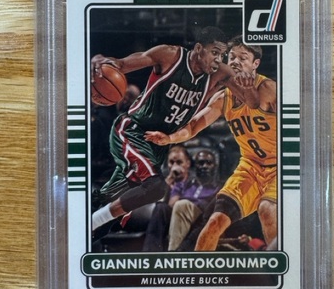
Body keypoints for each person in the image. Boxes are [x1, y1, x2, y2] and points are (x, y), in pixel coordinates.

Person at [90, 27, 259, 233]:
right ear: (199, 48)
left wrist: (248, 84)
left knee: (108, 206)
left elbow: (252, 102)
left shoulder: (220, 73)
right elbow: (121, 64)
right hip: (133, 131)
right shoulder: (170, 55)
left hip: (158, 144)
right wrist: (99, 61)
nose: (218, 60)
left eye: (222, 55)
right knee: (156, 187)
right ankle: (92, 222)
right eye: (214, 52)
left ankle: (89, 225)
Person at [145, 36, 278, 250]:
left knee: (267, 209)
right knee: (214, 223)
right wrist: (169, 138)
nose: (235, 62)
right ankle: (197, 271)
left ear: (256, 64)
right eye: (231, 57)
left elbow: (297, 125)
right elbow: (193, 127)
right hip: (250, 167)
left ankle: (279, 266)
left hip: (279, 166)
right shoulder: (223, 98)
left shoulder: (269, 88)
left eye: (242, 58)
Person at [142, 148, 220, 252]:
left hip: (201, 219)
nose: (204, 166)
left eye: (208, 163)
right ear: (195, 166)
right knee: (161, 207)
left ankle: (174, 254)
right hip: (181, 215)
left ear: (215, 166)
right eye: (201, 163)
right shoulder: (184, 183)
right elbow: (171, 206)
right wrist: (171, 181)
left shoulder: (219, 188)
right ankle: (150, 254)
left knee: (182, 205)